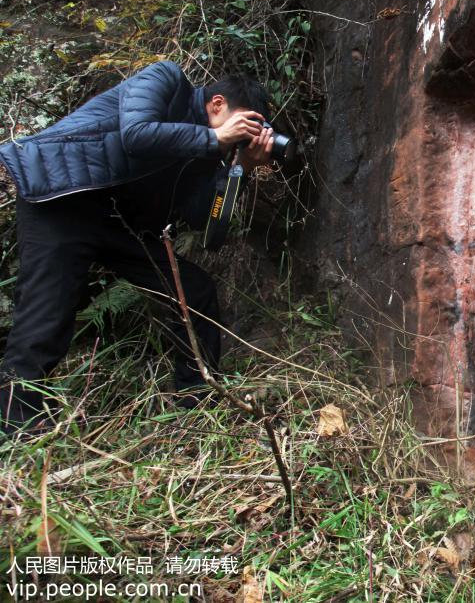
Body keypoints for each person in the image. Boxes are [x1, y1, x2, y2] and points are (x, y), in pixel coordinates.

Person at [0, 60, 274, 437]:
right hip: (61, 199)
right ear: (217, 104)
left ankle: (197, 403)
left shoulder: (209, 150)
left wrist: (240, 164)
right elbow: (137, 134)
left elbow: (207, 229)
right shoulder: (165, 78)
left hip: (117, 223)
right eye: (242, 123)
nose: (240, 134)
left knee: (195, 290)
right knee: (47, 313)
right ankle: (18, 425)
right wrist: (216, 140)